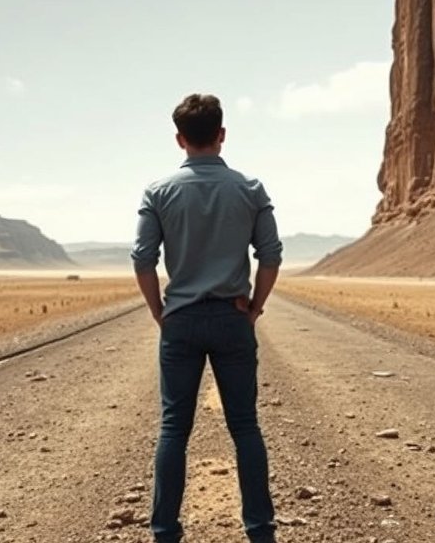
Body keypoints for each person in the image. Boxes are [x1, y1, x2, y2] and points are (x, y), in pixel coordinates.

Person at [131, 93, 283, 543]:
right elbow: (271, 255)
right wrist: (254, 308)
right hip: (233, 318)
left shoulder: (158, 192)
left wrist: (159, 311)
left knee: (173, 429)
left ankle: (164, 533)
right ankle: (260, 532)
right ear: (221, 134)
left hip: (180, 320)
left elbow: (142, 259)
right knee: (245, 426)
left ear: (180, 139)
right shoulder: (250, 189)